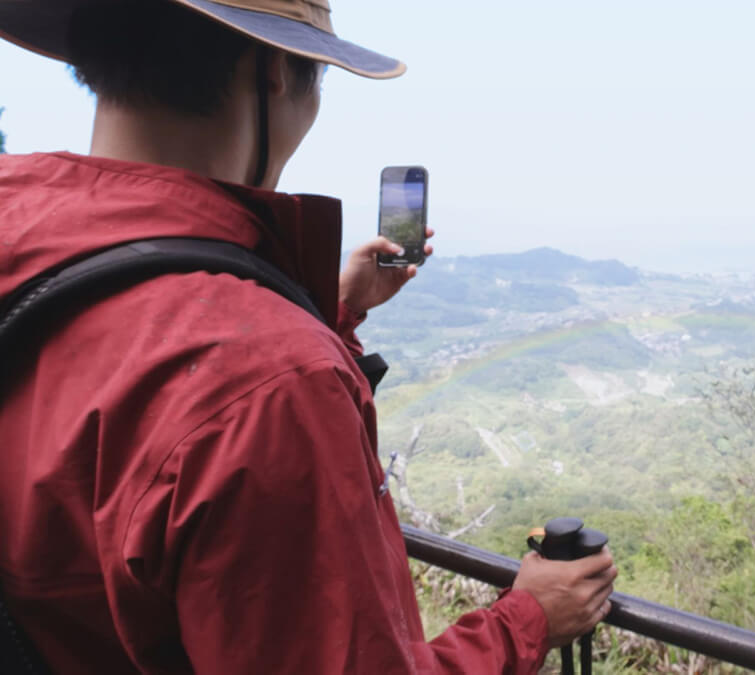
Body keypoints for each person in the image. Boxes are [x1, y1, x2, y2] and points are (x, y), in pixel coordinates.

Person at [0, 1, 617, 673]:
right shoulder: (273, 384)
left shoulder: (23, 244)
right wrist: (527, 618)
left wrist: (331, 312)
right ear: (271, 70)